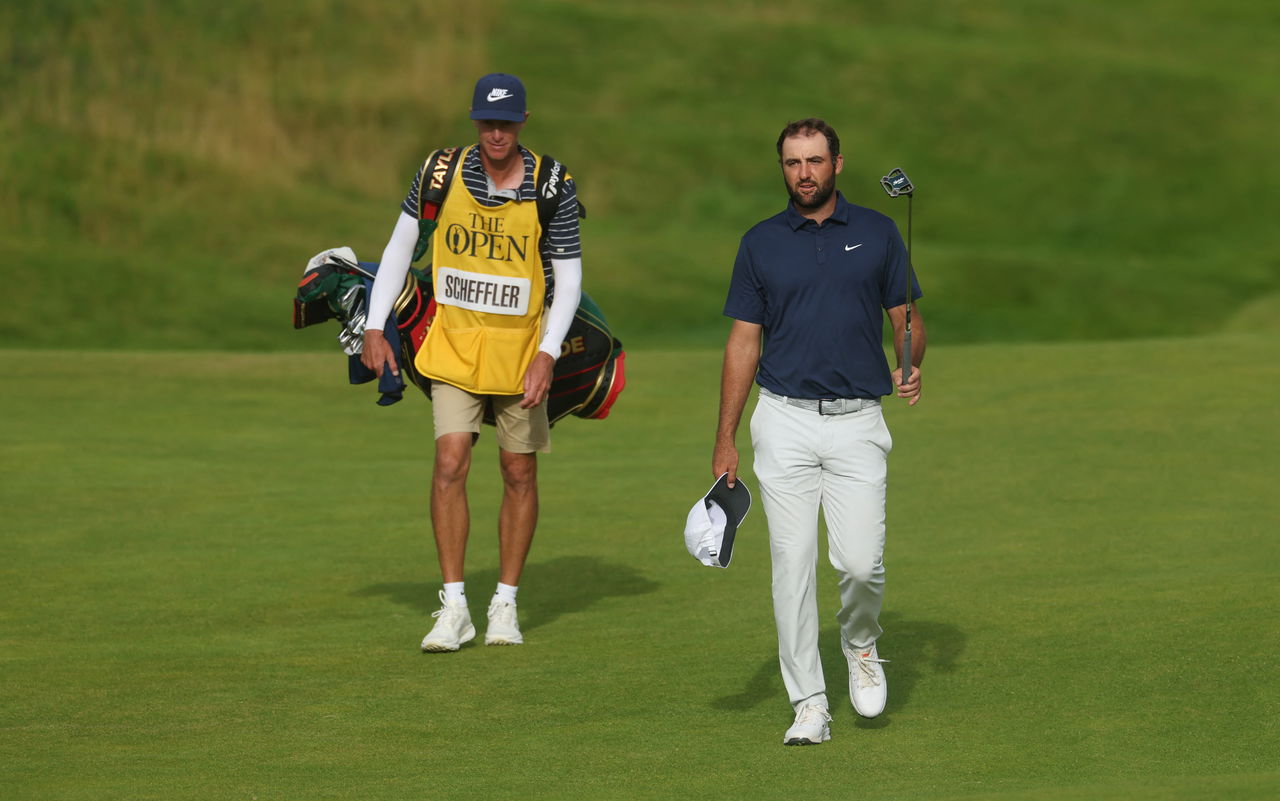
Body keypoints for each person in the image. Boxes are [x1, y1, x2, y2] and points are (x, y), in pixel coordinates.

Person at [712, 118, 925, 745]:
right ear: (783, 168)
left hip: (859, 421)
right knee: (792, 565)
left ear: (837, 163)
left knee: (860, 564)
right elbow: (743, 342)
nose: (803, 173)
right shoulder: (760, 243)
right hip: (783, 421)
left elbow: (907, 319)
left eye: (814, 161)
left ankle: (861, 645)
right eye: (792, 163)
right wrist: (726, 438)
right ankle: (808, 701)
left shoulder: (880, 232)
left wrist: (910, 363)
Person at [361, 73, 583, 652]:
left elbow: (570, 277)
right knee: (450, 462)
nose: (495, 132)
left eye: (506, 123)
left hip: (518, 354)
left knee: (519, 472)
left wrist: (547, 353)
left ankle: (505, 603)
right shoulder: (440, 171)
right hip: (454, 344)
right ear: (474, 119)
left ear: (523, 124)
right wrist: (374, 324)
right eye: (487, 121)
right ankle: (454, 606)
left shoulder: (550, 183)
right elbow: (399, 247)